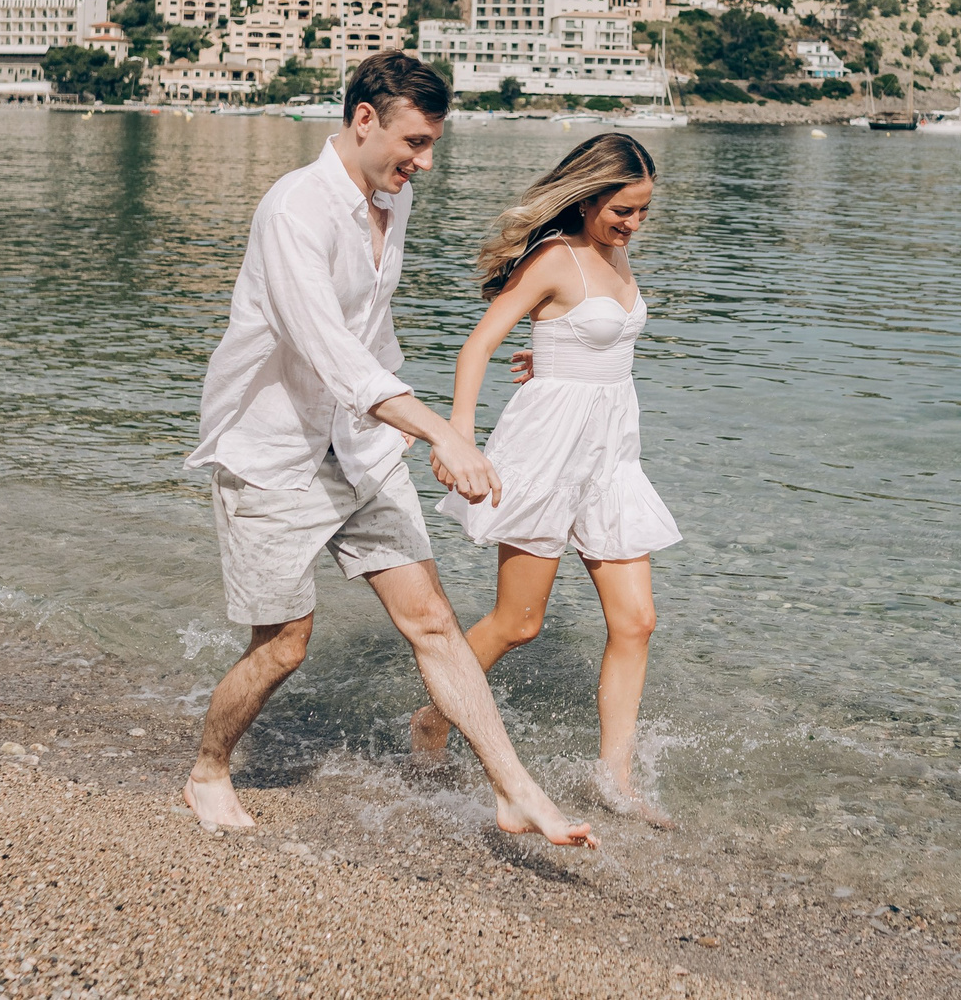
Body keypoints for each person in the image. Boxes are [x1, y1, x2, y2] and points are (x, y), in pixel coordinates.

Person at [182, 50, 594, 847]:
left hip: (362, 446)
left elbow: (372, 337)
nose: (424, 162)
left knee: (435, 620)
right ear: (363, 118)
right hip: (273, 450)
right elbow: (332, 353)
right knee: (283, 647)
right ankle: (207, 769)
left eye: (433, 143)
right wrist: (442, 430)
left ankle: (514, 790)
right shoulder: (293, 211)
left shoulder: (389, 199)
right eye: (414, 141)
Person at [414, 132, 681, 826]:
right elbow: (480, 343)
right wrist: (461, 436)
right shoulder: (554, 257)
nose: (634, 224)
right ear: (589, 196)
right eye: (624, 209)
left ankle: (612, 778)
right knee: (520, 621)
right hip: (548, 452)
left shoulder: (617, 251)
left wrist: (557, 357)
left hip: (613, 453)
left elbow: (598, 342)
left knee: (637, 620)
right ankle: (432, 717)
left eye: (644, 211)